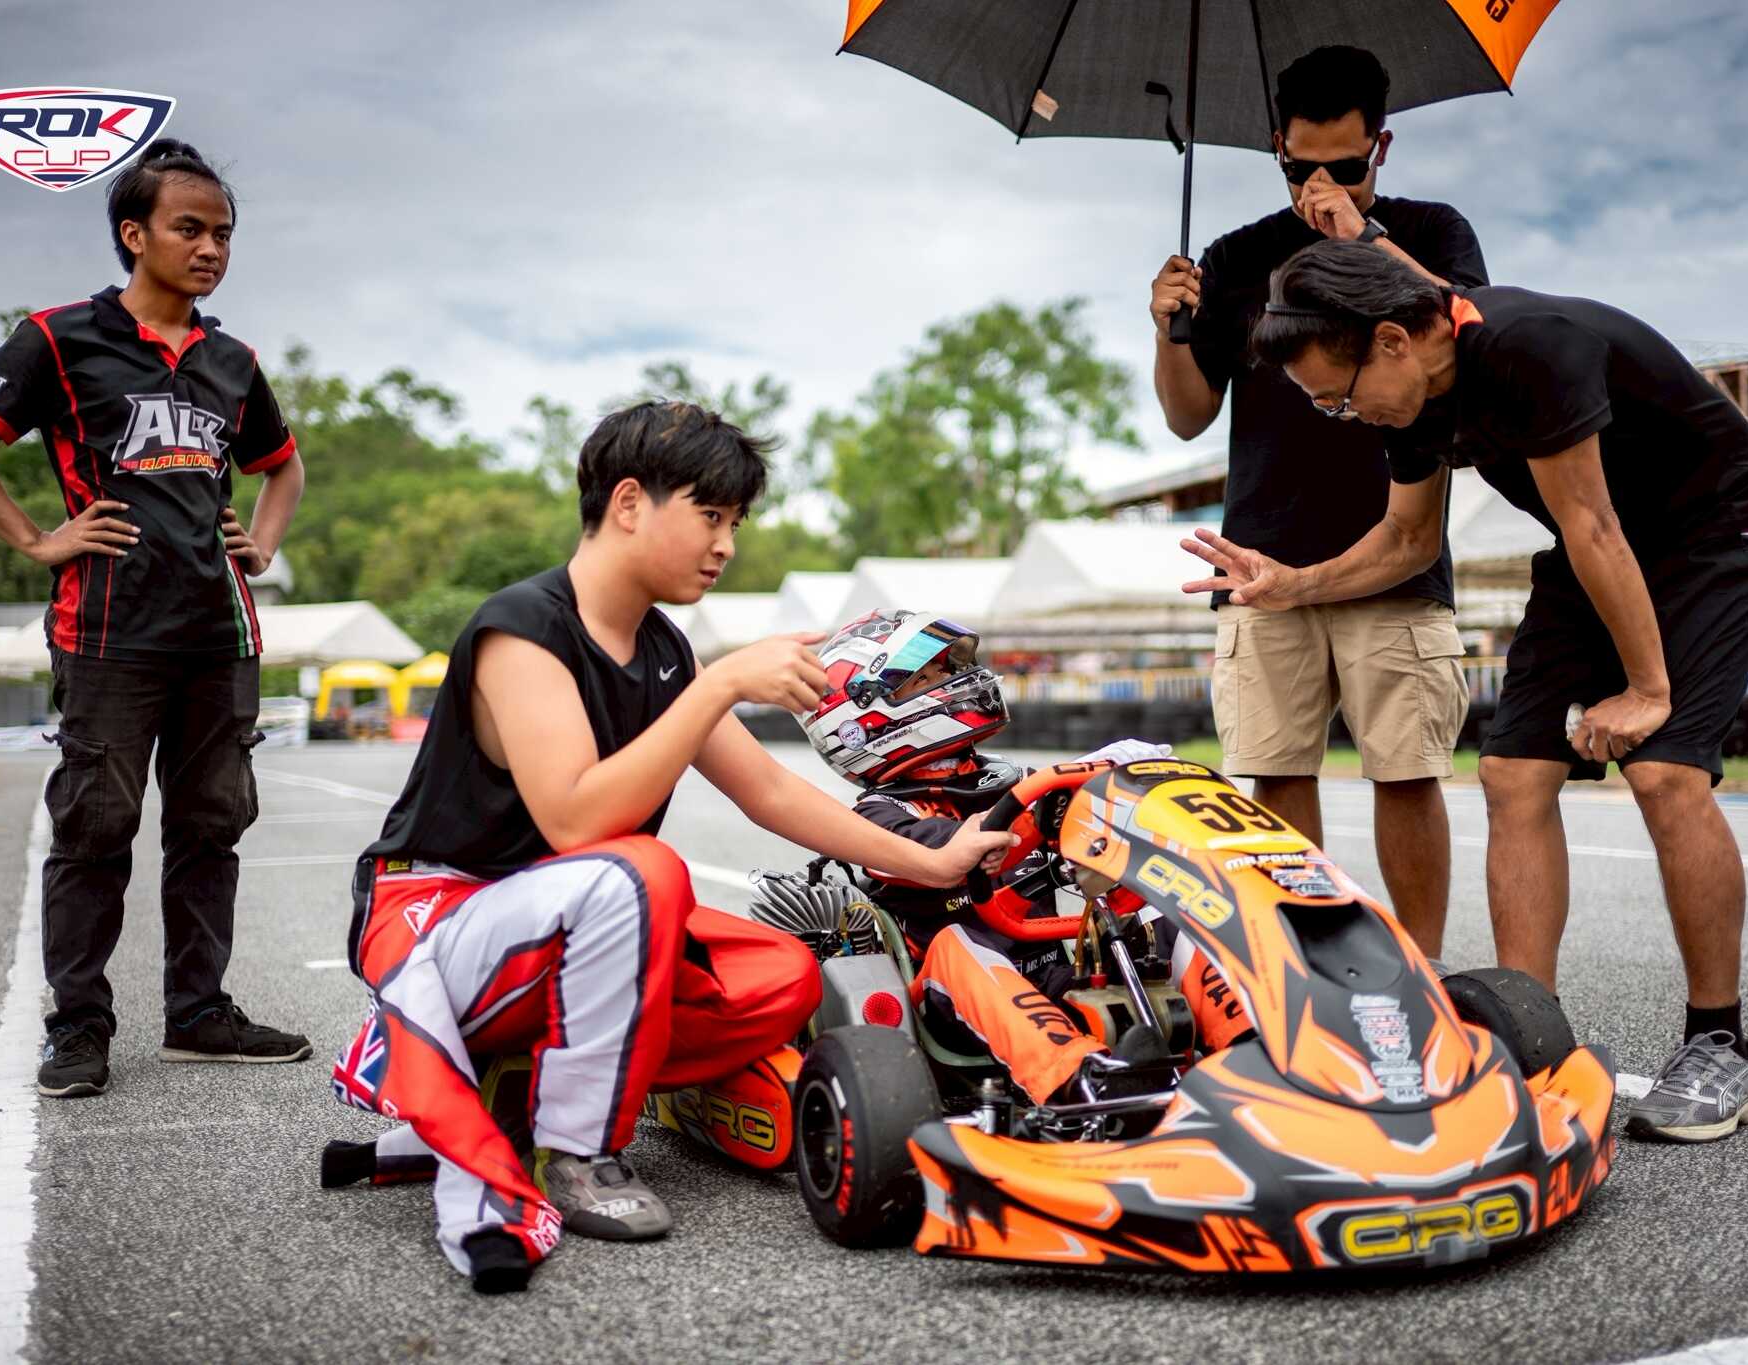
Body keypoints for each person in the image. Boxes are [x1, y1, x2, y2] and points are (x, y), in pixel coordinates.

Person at [321, 403, 1015, 1293]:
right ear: (628, 504)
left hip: (563, 927)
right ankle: (577, 1150)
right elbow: (577, 823)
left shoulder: (661, 649)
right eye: (711, 514)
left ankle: (524, 1087)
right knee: (645, 869)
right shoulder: (522, 629)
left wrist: (933, 859)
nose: (726, 544)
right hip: (436, 916)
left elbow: (769, 793)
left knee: (785, 974)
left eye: (736, 522)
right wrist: (720, 683)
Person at [1185, 238, 1748, 1143]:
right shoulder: (1410, 399)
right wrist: (1294, 583)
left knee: (1665, 772)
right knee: (1512, 773)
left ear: (1392, 341)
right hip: (1598, 544)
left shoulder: (1528, 349)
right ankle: (1530, 1036)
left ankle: (1723, 1045)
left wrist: (1646, 688)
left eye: (1338, 397)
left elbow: (1593, 523)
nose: (1341, 417)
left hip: (1714, 531)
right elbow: (1407, 541)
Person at [0, 139, 309, 1100]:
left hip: (219, 634)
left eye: (223, 233)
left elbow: (283, 466)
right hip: (107, 633)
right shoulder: (60, 338)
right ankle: (79, 1027)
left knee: (211, 827)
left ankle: (199, 1014)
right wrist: (34, 538)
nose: (210, 248)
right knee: (96, 827)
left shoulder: (232, 360)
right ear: (134, 234)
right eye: (189, 229)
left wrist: (260, 543)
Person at [1148, 45, 1487, 959]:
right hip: (1263, 555)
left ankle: (1422, 966)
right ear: (1277, 148)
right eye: (1301, 169)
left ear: (1382, 147)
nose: (1321, 184)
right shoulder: (1236, 256)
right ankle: (1303, 967)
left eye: (1345, 164)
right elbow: (1186, 416)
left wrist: (1360, 239)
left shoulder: (1430, 231)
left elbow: (1471, 332)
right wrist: (1171, 330)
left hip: (1395, 548)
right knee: (1276, 770)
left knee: (1406, 772)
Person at [800, 610, 1252, 1107]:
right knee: (957, 943)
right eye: (926, 678)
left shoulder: (1006, 781)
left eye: (946, 670)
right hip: (954, 995)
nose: (952, 681)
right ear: (863, 721)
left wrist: (1119, 787)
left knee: (1162, 909)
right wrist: (1033, 812)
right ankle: (1077, 1079)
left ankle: (1249, 1044)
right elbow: (942, 847)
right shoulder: (878, 815)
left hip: (1054, 971)